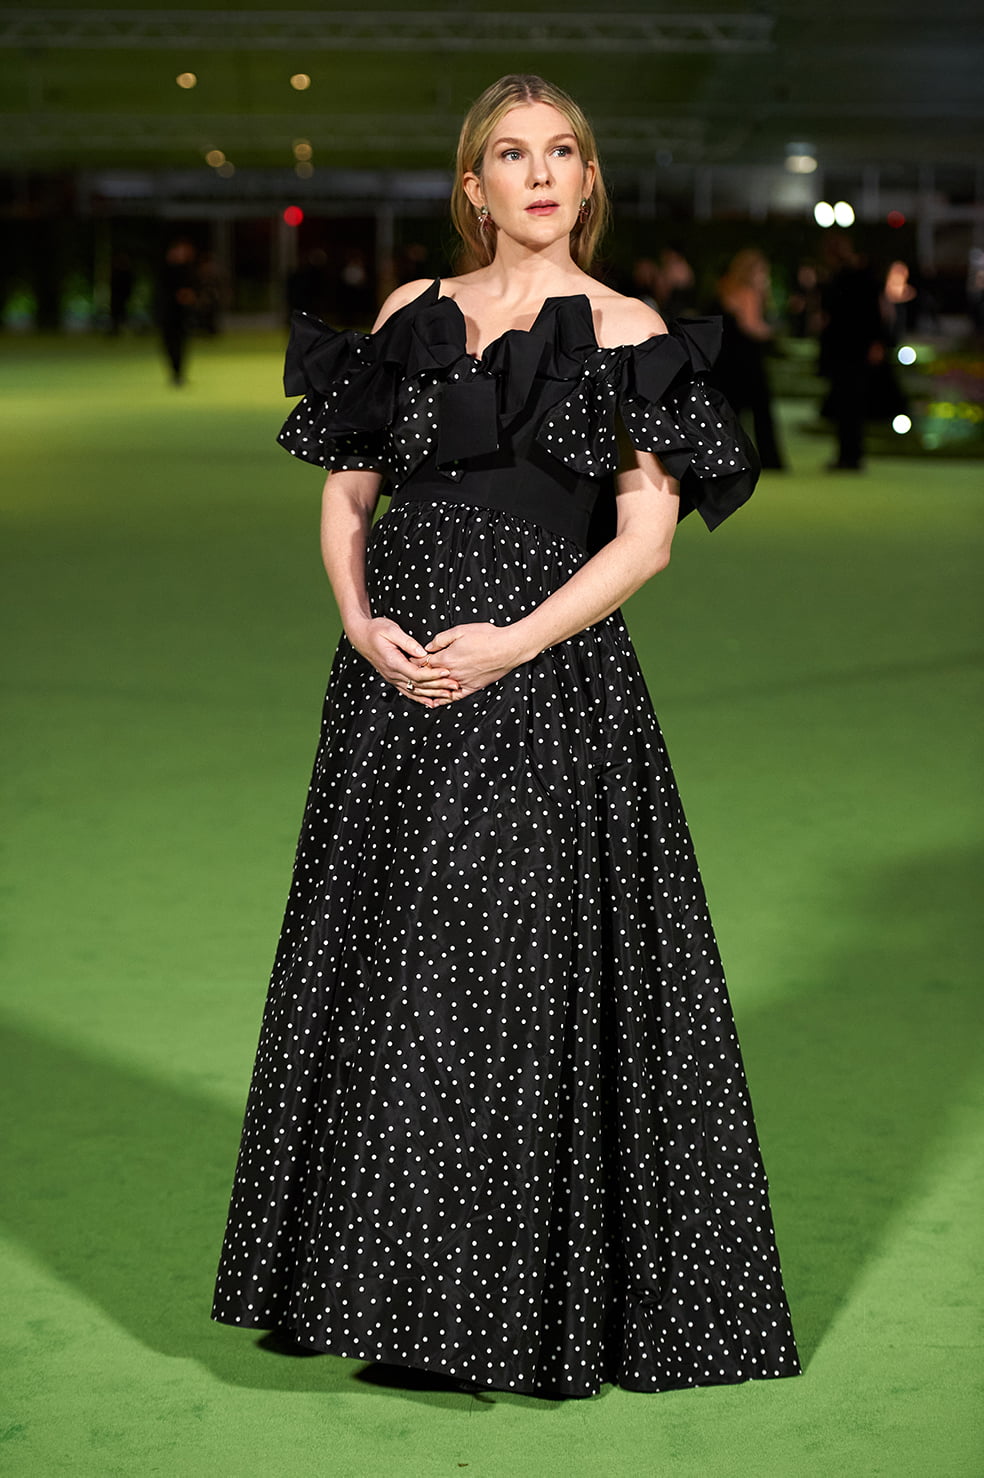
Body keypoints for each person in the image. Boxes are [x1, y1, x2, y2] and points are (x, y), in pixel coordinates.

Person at [211, 72, 801, 1400]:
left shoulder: (636, 330)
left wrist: (516, 640)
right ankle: (381, 1290)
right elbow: (347, 502)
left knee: (508, 984)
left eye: (563, 153)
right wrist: (363, 627)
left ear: (588, 180)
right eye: (510, 155)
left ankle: (506, 1315)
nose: (540, 173)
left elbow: (647, 537)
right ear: (470, 186)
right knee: (388, 978)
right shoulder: (409, 318)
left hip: (542, 689)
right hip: (396, 688)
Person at [707, 248, 786, 470]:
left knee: (730, 413)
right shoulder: (749, 293)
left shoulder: (725, 289)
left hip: (725, 362)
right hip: (747, 361)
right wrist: (774, 332)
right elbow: (751, 327)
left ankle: (726, 457)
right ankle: (770, 460)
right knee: (762, 412)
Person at [818, 232, 888, 471]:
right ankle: (849, 455)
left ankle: (850, 456)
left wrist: (877, 342)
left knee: (850, 404)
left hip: (849, 348)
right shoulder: (854, 276)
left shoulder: (853, 277)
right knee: (849, 404)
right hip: (850, 347)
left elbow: (873, 313)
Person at [155, 237, 198, 385]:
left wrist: (189, 297)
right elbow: (161, 292)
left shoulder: (189, 270)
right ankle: (174, 372)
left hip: (182, 315)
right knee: (168, 344)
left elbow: (193, 290)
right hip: (168, 314)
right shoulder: (165, 270)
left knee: (181, 345)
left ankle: (179, 373)